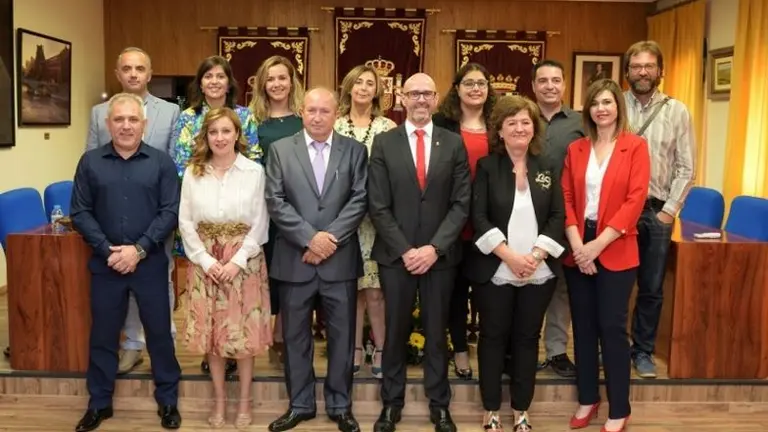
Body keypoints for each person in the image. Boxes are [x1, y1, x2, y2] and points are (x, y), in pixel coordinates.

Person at [71, 93, 182, 431]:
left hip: (150, 265)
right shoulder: (90, 162)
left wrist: (139, 249)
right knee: (103, 336)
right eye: (119, 119)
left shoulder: (162, 163)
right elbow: (80, 212)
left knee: (159, 335)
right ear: (108, 124)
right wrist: (108, 251)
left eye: (133, 119)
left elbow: (170, 212)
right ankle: (99, 403)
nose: (126, 125)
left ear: (144, 124)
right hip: (106, 266)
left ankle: (168, 400)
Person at [368, 72, 471, 432]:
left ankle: (439, 405)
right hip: (395, 257)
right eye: (414, 94)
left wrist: (434, 248)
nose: (421, 100)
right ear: (402, 98)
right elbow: (377, 204)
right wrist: (406, 250)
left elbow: (461, 203)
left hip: (440, 258)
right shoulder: (384, 143)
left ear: (436, 98)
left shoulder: (453, 143)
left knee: (437, 333)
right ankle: (391, 404)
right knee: (394, 333)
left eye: (427, 93)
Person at [265, 87, 368, 432]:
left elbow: (359, 199)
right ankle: (300, 404)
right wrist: (310, 239)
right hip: (296, 259)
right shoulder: (281, 150)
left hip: (339, 260)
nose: (318, 117)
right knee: (295, 338)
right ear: (302, 111)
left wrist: (328, 240)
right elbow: (275, 200)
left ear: (336, 113)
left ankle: (340, 405)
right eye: (312, 110)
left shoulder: (354, 151)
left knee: (342, 337)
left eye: (325, 111)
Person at [468, 95, 566, 432]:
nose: (519, 128)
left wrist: (535, 256)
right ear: (500, 130)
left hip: (538, 270)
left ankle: (522, 408)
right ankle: (491, 408)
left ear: (534, 128)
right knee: (493, 337)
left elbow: (557, 216)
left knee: (527, 339)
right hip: (496, 268)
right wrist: (509, 256)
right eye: (512, 123)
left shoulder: (547, 165)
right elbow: (478, 217)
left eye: (525, 122)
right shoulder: (487, 167)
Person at [562, 79, 650, 432]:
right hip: (578, 243)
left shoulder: (635, 146)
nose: (601, 109)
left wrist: (596, 246)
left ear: (618, 107)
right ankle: (588, 398)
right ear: (588, 109)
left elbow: (635, 200)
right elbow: (566, 198)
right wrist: (577, 245)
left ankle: (619, 407)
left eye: (607, 102)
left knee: (612, 328)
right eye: (595, 103)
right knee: (582, 328)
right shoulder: (576, 148)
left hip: (615, 244)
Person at [85, 47, 179, 374]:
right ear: (118, 73)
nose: (134, 74)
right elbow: (90, 161)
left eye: (140, 68)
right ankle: (132, 344)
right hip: (114, 216)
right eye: (127, 68)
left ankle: (163, 343)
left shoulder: (170, 111)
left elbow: (172, 163)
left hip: (156, 217)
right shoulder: (99, 112)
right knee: (120, 279)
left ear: (150, 74)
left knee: (160, 280)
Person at [178, 107, 272, 428]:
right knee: (213, 335)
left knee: (243, 336)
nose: (219, 138)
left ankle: (244, 401)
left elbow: (261, 222)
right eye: (213, 132)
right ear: (206, 136)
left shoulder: (254, 172)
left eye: (226, 131)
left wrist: (236, 261)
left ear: (237, 135)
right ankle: (219, 400)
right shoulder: (193, 173)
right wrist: (205, 260)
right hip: (205, 260)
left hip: (244, 261)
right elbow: (185, 222)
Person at [172, 55, 262, 375]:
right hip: (202, 210)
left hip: (238, 213)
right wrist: (206, 188)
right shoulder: (187, 117)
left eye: (220, 76)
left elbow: (254, 158)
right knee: (209, 290)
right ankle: (212, 350)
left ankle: (235, 349)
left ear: (229, 82)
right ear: (200, 83)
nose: (214, 81)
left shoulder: (245, 115)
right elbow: (180, 162)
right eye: (208, 76)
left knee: (237, 293)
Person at [623, 40, 695, 379]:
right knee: (616, 285)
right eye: (636, 66)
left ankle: (643, 350)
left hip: (656, 211)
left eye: (648, 66)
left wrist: (669, 210)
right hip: (619, 212)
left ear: (660, 71)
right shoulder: (613, 104)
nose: (642, 72)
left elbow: (686, 166)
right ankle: (613, 346)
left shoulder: (677, 111)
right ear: (627, 72)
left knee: (651, 287)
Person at [432, 62, 496, 381]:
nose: (475, 89)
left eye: (481, 83)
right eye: (469, 83)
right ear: (457, 88)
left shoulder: (499, 123)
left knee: (489, 293)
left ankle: (493, 351)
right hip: (452, 222)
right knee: (455, 292)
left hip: (491, 221)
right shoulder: (441, 124)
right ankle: (459, 349)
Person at [333, 64, 397, 378]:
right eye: (358, 82)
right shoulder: (335, 125)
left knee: (375, 289)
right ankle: (355, 347)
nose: (363, 87)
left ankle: (382, 348)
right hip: (343, 218)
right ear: (349, 87)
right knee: (352, 289)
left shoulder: (387, 127)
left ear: (377, 91)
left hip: (376, 219)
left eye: (369, 83)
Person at [249, 55, 305, 366]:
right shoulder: (253, 121)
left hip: (296, 209)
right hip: (260, 209)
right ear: (262, 84)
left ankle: (282, 333)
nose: (277, 84)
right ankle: (255, 336)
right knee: (264, 271)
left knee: (290, 273)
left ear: (292, 82)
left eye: (282, 78)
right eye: (270, 79)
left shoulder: (303, 120)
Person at [530, 59, 583, 377]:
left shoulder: (580, 123)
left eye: (555, 80)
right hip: (524, 213)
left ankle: (556, 350)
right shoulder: (521, 116)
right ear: (533, 86)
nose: (549, 86)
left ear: (564, 84)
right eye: (543, 80)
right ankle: (524, 348)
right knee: (526, 281)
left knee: (560, 286)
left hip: (565, 215)